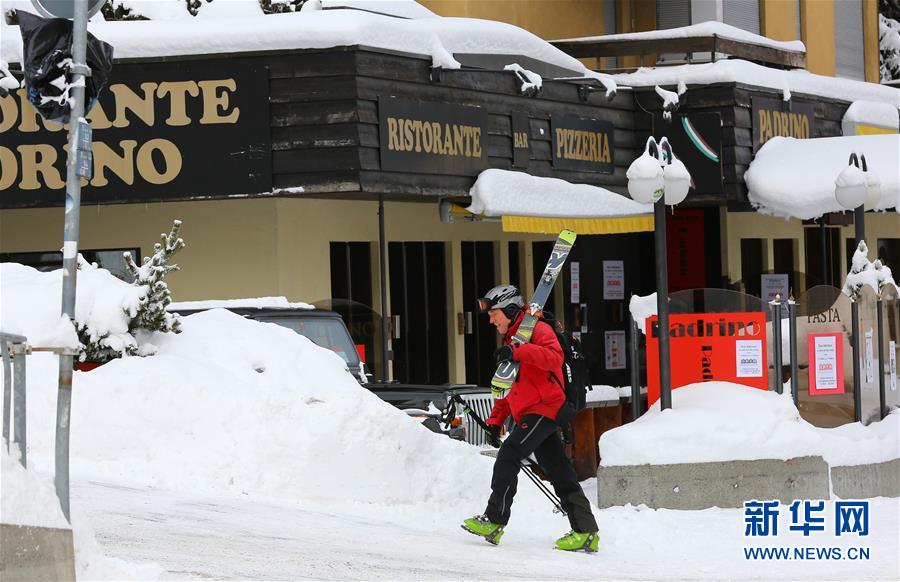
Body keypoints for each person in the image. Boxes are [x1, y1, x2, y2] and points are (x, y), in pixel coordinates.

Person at [461, 284, 599, 552]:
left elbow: (553, 358)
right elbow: (507, 386)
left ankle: (494, 519)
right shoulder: (511, 341)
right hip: (530, 411)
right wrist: (495, 421)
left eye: (495, 313)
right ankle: (586, 531)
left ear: (511, 310)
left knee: (510, 453)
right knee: (559, 469)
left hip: (547, 407)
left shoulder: (537, 329)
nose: (490, 319)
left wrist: (518, 352)